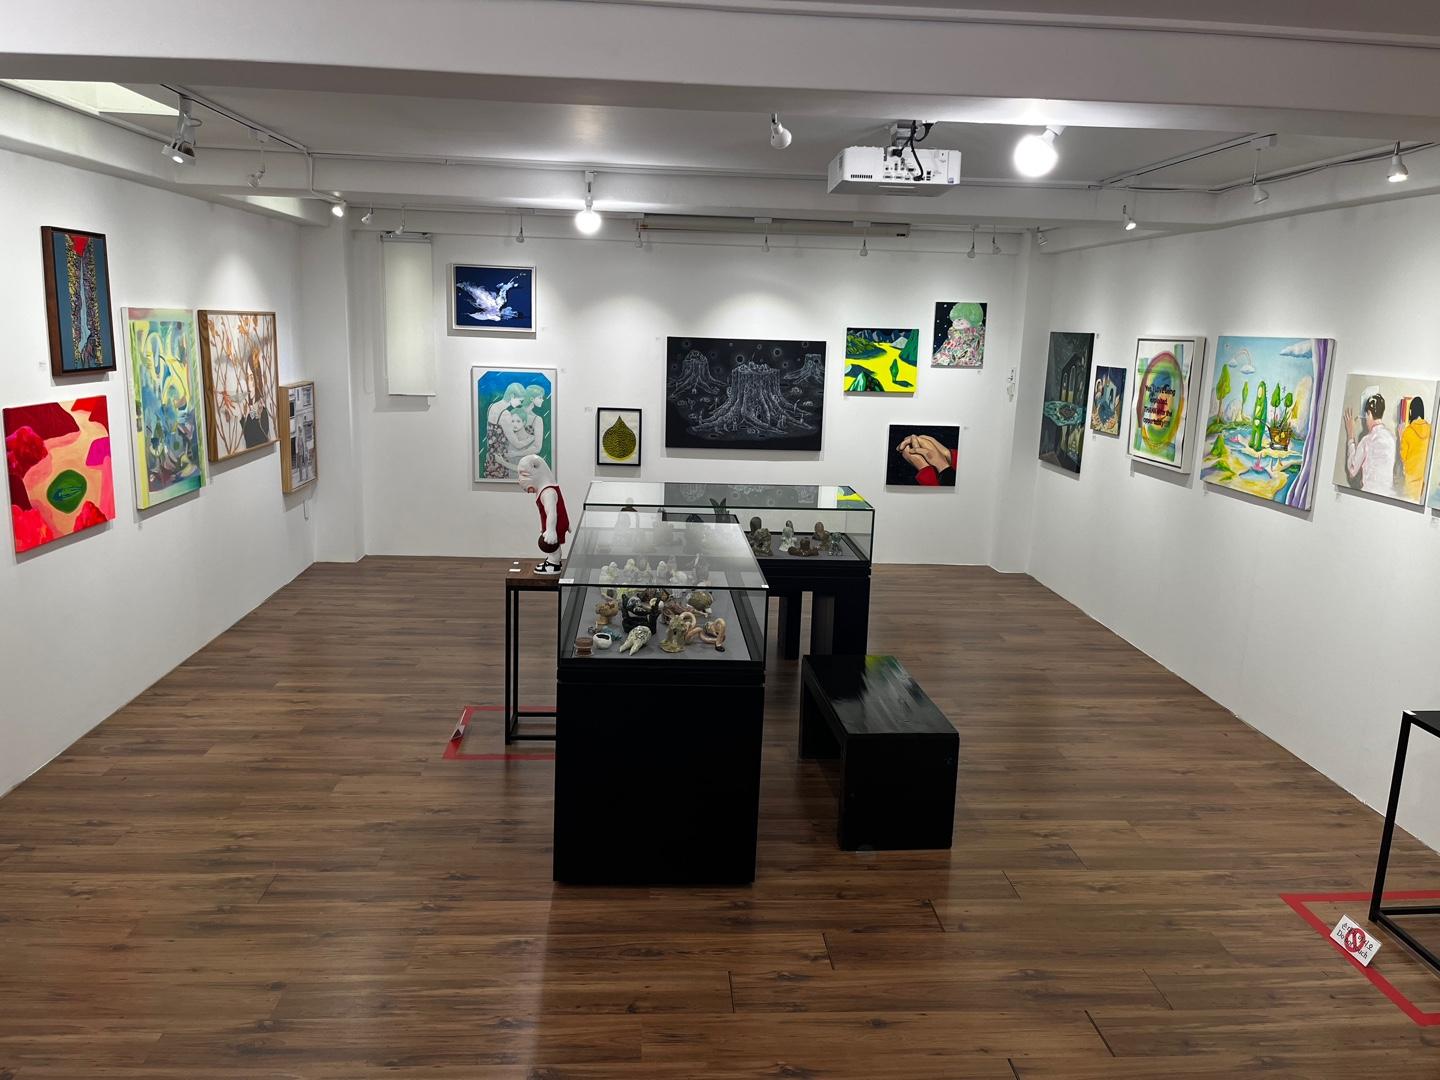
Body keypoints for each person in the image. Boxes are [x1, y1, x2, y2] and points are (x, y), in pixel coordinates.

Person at [517, 453, 569, 573]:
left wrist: (551, 530)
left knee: (552, 545)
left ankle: (553, 564)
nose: (520, 480)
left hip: (555, 524)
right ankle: (554, 560)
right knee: (553, 545)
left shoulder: (548, 492)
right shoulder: (546, 489)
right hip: (555, 523)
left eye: (524, 475)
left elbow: (551, 512)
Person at [1343, 391, 1396, 496]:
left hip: (1369, 493)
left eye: (1366, 415)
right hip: (1388, 495)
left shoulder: (1367, 440)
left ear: (1369, 413)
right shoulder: (1391, 438)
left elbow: (1352, 471)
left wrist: (1351, 435)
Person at [1396, 395, 1432, 502]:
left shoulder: (1408, 431)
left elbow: (1403, 457)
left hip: (1410, 482)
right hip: (1424, 481)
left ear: (1411, 412)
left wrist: (1401, 437)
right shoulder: (1430, 428)